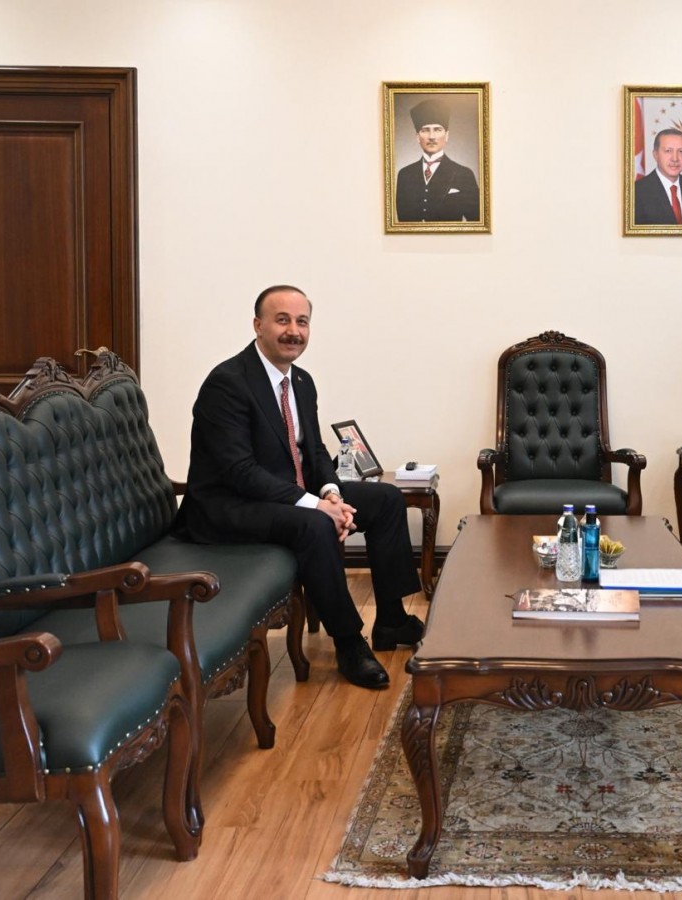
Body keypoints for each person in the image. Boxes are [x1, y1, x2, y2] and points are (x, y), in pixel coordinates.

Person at [175, 285, 424, 689]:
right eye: (282, 320)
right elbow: (239, 471)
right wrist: (314, 505)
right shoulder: (227, 383)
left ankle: (392, 620)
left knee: (386, 499)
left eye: (302, 321)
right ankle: (348, 642)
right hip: (229, 506)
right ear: (258, 325)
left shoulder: (301, 381)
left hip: (285, 493)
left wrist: (331, 492)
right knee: (315, 524)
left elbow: (315, 451)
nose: (294, 331)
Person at [394, 98, 480, 223]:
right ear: (417, 137)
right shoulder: (405, 175)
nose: (432, 137)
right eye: (425, 130)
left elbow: (477, 223)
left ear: (447, 135)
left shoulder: (464, 174)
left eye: (437, 129)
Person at [633, 129, 682, 225]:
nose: (675, 158)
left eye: (681, 151)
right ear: (655, 154)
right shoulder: (637, 191)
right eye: (668, 151)